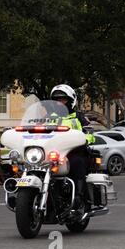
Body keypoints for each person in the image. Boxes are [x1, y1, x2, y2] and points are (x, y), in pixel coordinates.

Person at [50, 84, 95, 213]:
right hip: (53, 154)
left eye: (63, 99)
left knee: (77, 163)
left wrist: (86, 138)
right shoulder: (48, 118)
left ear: (70, 101)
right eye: (57, 100)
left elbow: (90, 133)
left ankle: (78, 197)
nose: (60, 102)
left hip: (74, 152)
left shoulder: (78, 117)